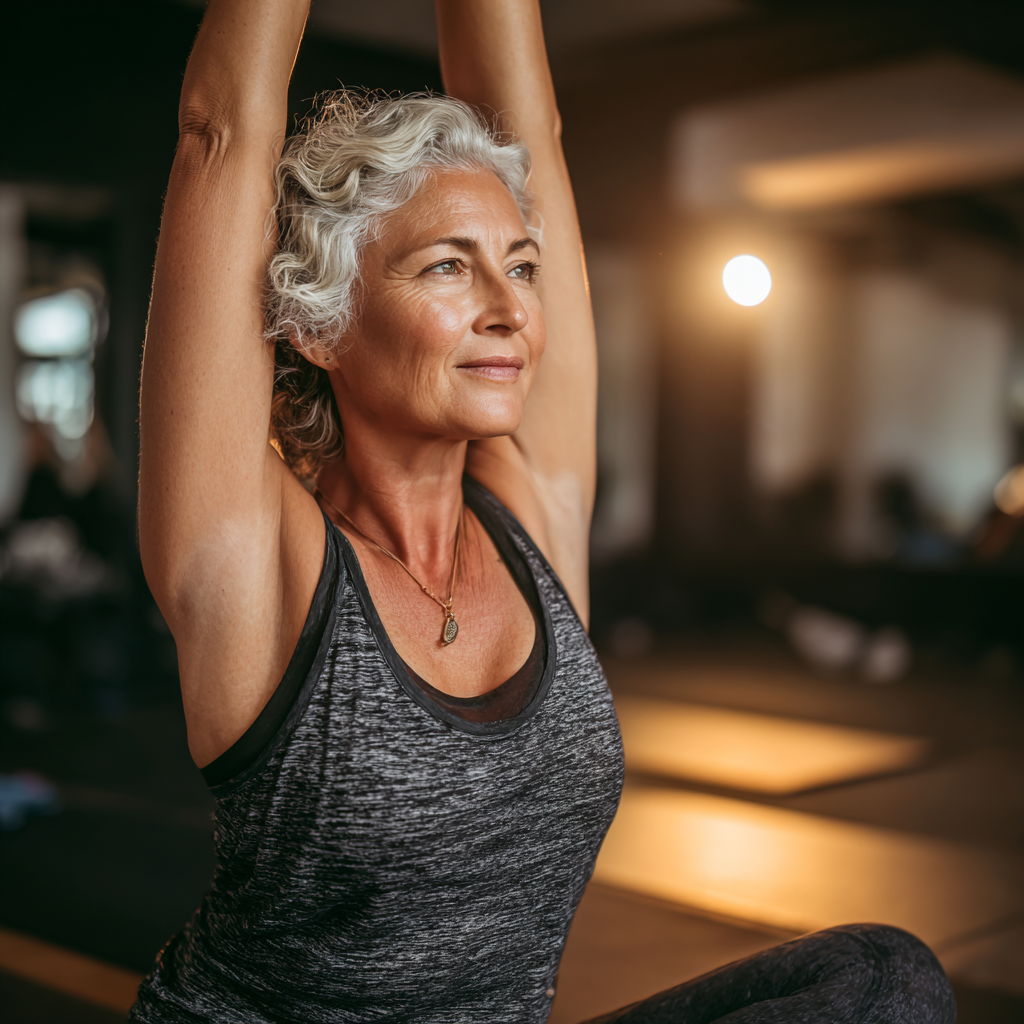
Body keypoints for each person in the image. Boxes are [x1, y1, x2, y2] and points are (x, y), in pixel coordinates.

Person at [134, 2, 956, 1021]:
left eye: (519, 265)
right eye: (446, 264)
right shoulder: (258, 566)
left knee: (881, 979)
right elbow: (222, 131)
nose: (511, 307)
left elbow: (534, 132)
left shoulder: (531, 511)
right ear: (321, 323)